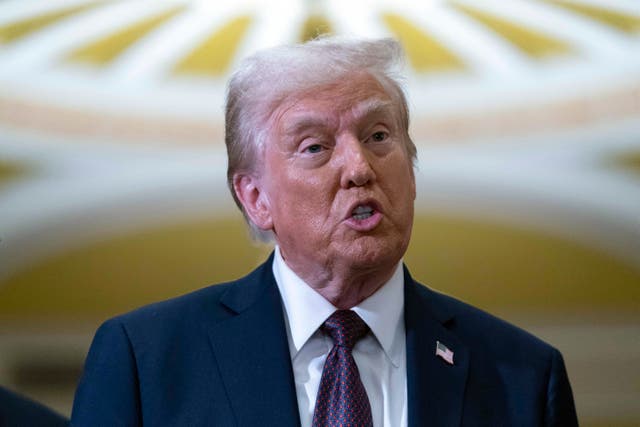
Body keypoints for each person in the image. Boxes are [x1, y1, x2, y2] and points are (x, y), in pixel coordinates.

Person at [71, 37, 578, 426]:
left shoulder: (524, 376)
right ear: (255, 198)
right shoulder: (146, 359)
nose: (359, 167)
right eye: (315, 147)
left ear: (413, 171)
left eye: (379, 136)